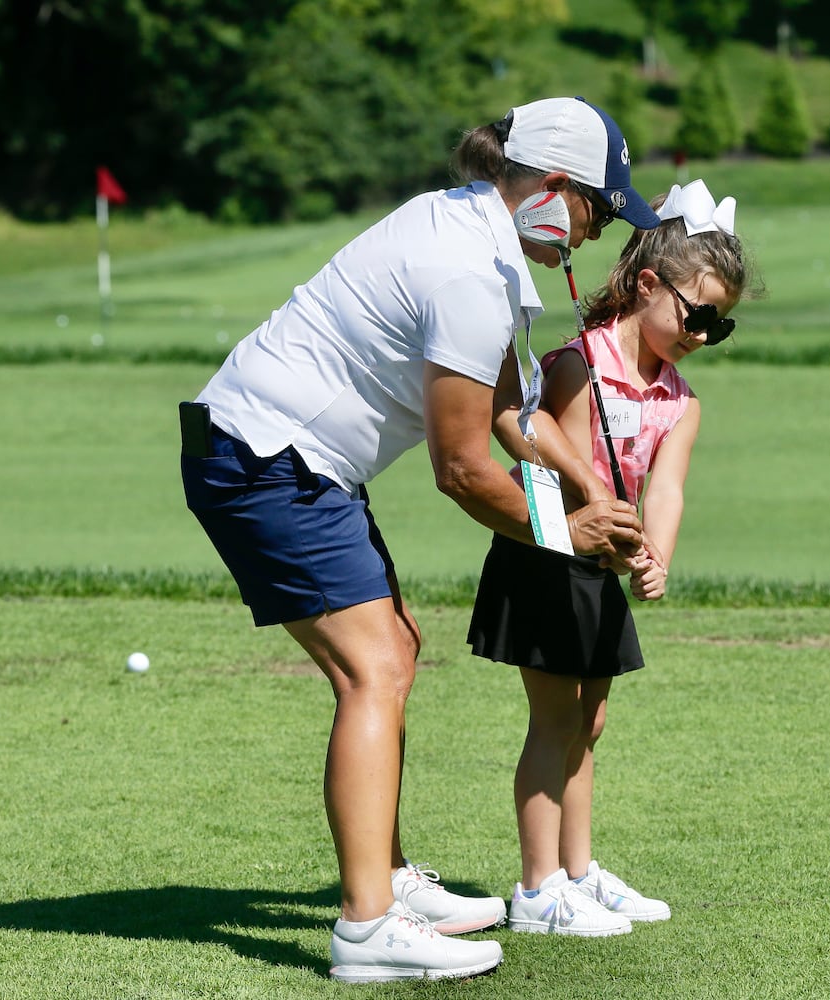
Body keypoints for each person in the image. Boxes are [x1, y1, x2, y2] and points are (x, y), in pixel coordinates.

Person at [179, 96, 661, 983]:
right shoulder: (467, 274)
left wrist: (596, 488)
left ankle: (387, 882)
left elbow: (514, 407)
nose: (596, 232)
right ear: (554, 187)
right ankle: (367, 931)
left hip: (288, 459)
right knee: (377, 668)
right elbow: (464, 470)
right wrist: (571, 533)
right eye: (598, 207)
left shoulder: (468, 229)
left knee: (393, 647)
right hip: (268, 459)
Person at [467, 179, 752, 936]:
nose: (701, 335)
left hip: (599, 571)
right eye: (697, 316)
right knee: (554, 721)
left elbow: (667, 489)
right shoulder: (578, 364)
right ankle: (537, 891)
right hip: (547, 556)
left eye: (717, 328)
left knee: (589, 723)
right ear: (649, 284)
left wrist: (655, 555)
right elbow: (529, 436)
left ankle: (578, 873)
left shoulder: (679, 400)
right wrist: (588, 489)